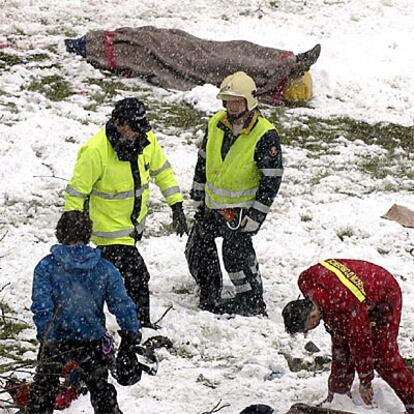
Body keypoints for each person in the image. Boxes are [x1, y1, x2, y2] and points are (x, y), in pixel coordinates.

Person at [64, 97, 187, 328]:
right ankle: (139, 324)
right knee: (136, 277)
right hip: (106, 234)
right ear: (118, 123)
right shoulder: (95, 151)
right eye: (134, 128)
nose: (139, 134)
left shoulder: (146, 141)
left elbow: (163, 172)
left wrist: (176, 205)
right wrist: (73, 235)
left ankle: (94, 322)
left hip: (131, 231)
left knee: (106, 281)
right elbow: (76, 193)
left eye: (142, 128)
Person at [185, 71, 283, 316]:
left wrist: (256, 215)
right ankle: (209, 292)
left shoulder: (264, 134)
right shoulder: (216, 123)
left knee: (236, 253)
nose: (231, 106)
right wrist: (197, 196)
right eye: (227, 101)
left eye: (237, 101)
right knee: (200, 247)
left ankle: (250, 298)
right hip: (212, 205)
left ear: (250, 103)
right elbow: (204, 160)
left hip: (241, 211)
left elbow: (271, 180)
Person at [27, 210, 141, 414]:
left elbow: (42, 307)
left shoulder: (46, 267)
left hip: (56, 342)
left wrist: (47, 339)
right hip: (92, 342)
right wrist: (131, 333)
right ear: (88, 235)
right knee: (102, 394)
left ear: (59, 234)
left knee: (42, 395)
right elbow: (122, 304)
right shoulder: (104, 268)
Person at [282, 258, 414, 414]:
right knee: (340, 348)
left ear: (312, 317)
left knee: (383, 355)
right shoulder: (305, 280)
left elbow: (361, 342)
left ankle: (412, 401)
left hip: (384, 293)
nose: (307, 332)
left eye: (306, 329)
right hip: (358, 286)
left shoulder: (347, 310)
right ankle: (338, 396)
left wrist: (365, 381)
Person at [64, 26, 321, 106]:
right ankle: (280, 67)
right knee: (221, 61)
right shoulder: (122, 47)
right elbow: (151, 61)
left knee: (232, 48)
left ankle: (287, 60)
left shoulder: (124, 36)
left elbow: (151, 37)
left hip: (178, 45)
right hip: (181, 58)